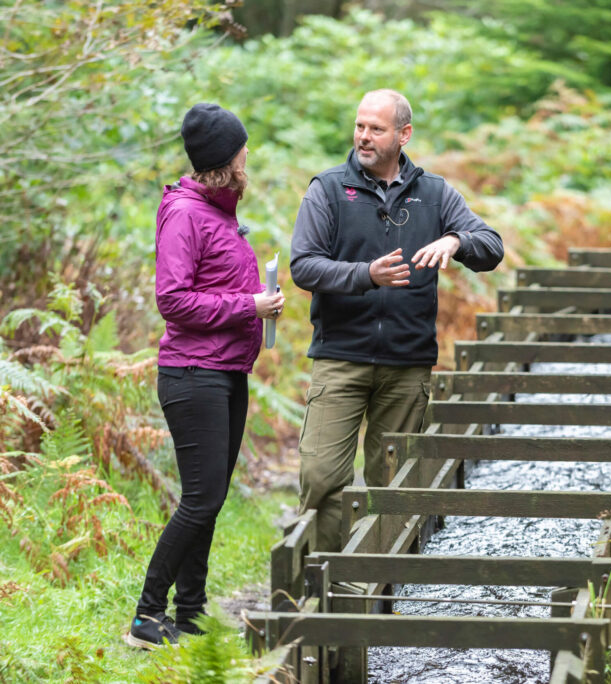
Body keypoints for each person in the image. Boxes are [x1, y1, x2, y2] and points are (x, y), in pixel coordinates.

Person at [290, 89, 503, 552]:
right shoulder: (328, 189)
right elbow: (303, 266)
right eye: (360, 126)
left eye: (376, 129)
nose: (363, 137)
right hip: (340, 358)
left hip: (407, 366)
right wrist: (366, 275)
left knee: (394, 488)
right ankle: (322, 584)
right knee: (322, 476)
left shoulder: (435, 193)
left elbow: (492, 246)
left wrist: (456, 242)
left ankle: (378, 594)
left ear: (404, 135)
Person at [124, 103, 286, 649]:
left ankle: (188, 611)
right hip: (193, 374)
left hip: (225, 371)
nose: (248, 156)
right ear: (228, 158)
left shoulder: (218, 210)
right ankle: (147, 617)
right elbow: (172, 300)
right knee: (201, 498)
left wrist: (258, 303)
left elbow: (215, 286)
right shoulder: (187, 213)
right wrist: (249, 306)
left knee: (210, 496)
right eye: (243, 148)